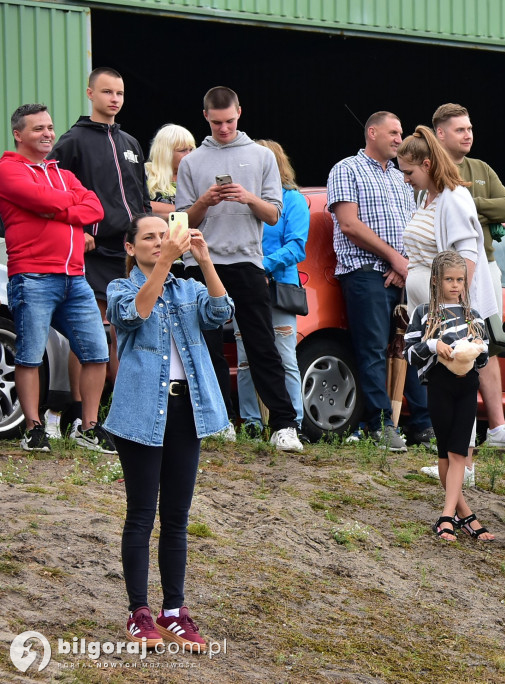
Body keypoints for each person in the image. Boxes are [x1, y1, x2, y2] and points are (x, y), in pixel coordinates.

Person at [105, 214, 233, 653]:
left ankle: (173, 612)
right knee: (141, 514)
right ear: (130, 247)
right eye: (149, 238)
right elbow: (134, 314)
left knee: (176, 518)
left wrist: (204, 260)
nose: (160, 242)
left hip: (188, 412)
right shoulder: (120, 288)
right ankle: (139, 612)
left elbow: (221, 313)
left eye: (165, 236)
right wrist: (166, 264)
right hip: (139, 413)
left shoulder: (189, 288)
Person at [176, 86, 302, 452]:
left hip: (247, 261)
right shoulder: (191, 162)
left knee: (262, 344)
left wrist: (247, 197)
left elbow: (274, 213)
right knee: (207, 345)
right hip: (201, 261)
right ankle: (219, 421)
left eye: (229, 121)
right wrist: (204, 201)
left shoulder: (261, 156)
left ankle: (283, 425)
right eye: (217, 122)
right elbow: (180, 221)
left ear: (240, 113)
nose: (224, 128)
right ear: (205, 118)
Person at [0, 103, 110, 454]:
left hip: (75, 277)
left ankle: (88, 427)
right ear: (18, 134)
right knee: (30, 356)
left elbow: (96, 208)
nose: (48, 134)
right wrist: (70, 209)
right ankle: (34, 429)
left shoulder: (62, 173)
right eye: (38, 129)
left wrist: (59, 207)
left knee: (96, 354)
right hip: (32, 276)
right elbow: (41, 200)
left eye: (49, 127)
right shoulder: (7, 170)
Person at [49, 67, 150, 440]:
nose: (114, 99)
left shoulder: (132, 143)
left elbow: (138, 198)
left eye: (120, 93)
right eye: (107, 92)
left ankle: (117, 414)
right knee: (89, 332)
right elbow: (56, 193)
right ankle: (76, 413)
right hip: (91, 251)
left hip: (125, 253)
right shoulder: (72, 141)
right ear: (90, 93)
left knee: (124, 333)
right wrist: (76, 230)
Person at [432, 103, 505, 451]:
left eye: (470, 129)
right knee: (443, 346)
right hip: (441, 271)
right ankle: (454, 433)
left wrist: (469, 202)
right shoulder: (429, 171)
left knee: (486, 341)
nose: (468, 135)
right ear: (440, 134)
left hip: (484, 266)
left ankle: (497, 425)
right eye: (460, 129)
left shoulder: (479, 169)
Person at [397, 124, 498, 481]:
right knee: (442, 383)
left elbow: (467, 257)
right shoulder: (427, 197)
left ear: (426, 163)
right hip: (429, 307)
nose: (405, 179)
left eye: (409, 172)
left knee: (459, 381)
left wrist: (454, 308)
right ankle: (455, 462)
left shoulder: (453, 199)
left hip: (450, 311)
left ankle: (464, 465)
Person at [328, 111, 429, 452]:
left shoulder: (402, 177)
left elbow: (415, 226)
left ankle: (423, 425)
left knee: (413, 349)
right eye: (394, 132)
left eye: (400, 133)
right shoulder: (346, 169)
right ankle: (380, 426)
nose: (400, 139)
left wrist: (405, 265)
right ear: (372, 132)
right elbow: (349, 225)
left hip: (404, 274)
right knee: (372, 350)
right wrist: (393, 258)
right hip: (365, 274)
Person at [405, 251, 494, 541]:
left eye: (460, 280)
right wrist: (433, 345)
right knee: (445, 451)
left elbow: (484, 358)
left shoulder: (473, 316)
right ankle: (466, 515)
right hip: (439, 386)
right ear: (435, 280)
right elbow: (409, 354)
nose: (455, 285)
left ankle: (446, 517)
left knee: (459, 451)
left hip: (467, 386)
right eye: (449, 279)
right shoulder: (424, 314)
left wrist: (477, 348)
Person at [235, 140, 309, 436]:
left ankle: (295, 424)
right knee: (244, 359)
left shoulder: (292, 199)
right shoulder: (240, 199)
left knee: (285, 358)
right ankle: (251, 423)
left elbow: (297, 246)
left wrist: (260, 266)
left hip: (277, 287)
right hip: (245, 285)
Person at [145, 123, 196, 218]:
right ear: (165, 152)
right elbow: (139, 206)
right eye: (183, 150)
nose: (190, 155)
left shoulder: (197, 176)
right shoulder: (144, 173)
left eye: (191, 149)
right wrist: (191, 211)